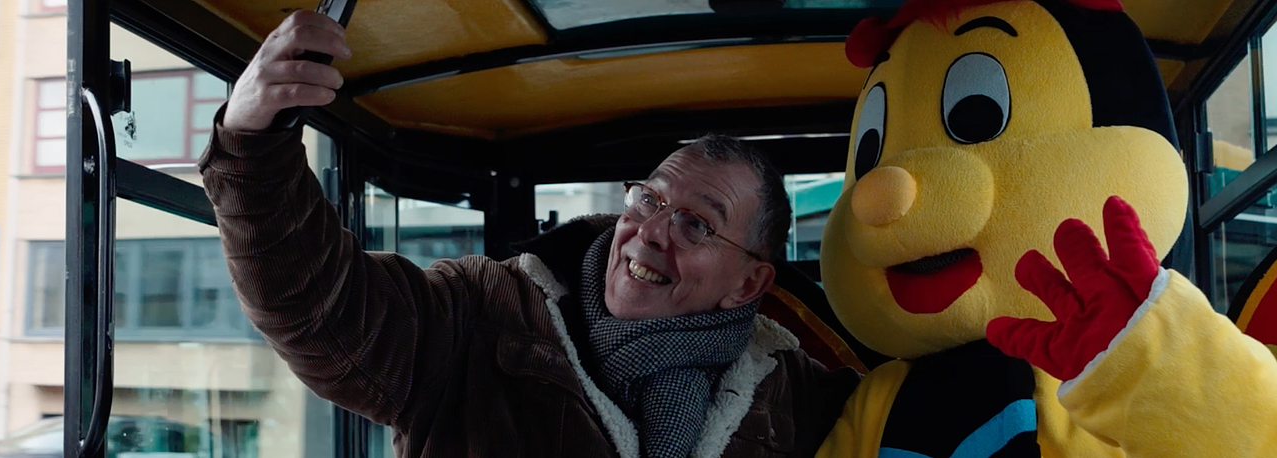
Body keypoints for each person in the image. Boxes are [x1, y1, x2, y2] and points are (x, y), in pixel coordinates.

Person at [198, 10, 859, 458]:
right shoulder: (476, 316)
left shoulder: (799, 398)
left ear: (749, 283)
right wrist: (253, 137)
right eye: (649, 198)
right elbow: (320, 306)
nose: (650, 231)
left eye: (696, 224)